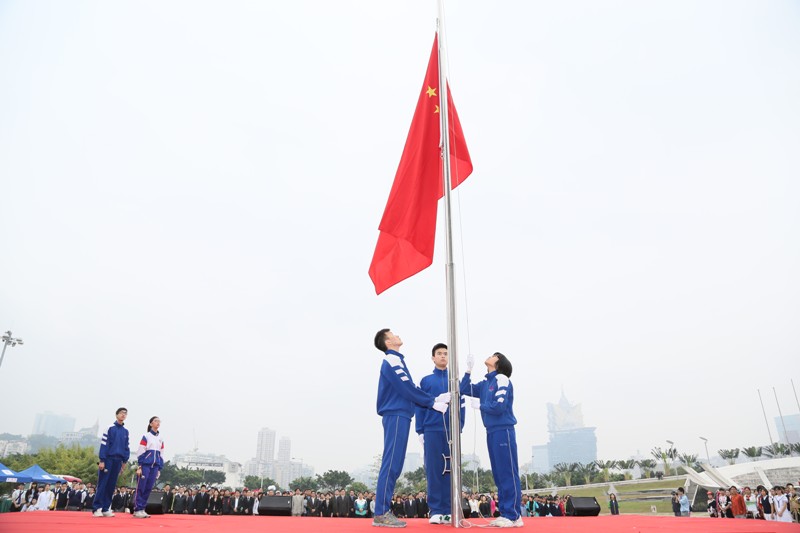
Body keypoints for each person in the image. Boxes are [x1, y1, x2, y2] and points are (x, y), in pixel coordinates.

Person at [372, 329, 450, 528]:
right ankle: (381, 512)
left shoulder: (398, 360)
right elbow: (406, 388)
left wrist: (432, 400)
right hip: (396, 413)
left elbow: (411, 387)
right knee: (392, 462)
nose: (397, 335)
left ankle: (382, 511)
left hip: (402, 414)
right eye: (393, 334)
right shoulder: (392, 360)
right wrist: (432, 402)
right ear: (388, 342)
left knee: (395, 463)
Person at [461, 352, 523, 528]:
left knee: (507, 473)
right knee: (499, 474)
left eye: (495, 355)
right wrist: (468, 370)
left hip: (503, 430)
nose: (490, 355)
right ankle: (507, 513)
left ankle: (513, 515)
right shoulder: (485, 383)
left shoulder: (501, 379)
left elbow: (500, 406)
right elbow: (464, 389)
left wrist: (481, 405)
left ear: (499, 362)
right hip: (491, 431)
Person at [415, 342, 466, 525]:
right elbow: (420, 405)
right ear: (433, 357)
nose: (443, 356)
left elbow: (462, 406)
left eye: (445, 353)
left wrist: (459, 427)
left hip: (451, 431)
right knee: (434, 469)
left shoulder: (455, 381)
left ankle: (449, 509)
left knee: (451, 470)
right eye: (439, 353)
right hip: (432, 429)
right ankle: (436, 510)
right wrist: (420, 430)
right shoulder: (426, 381)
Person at [93, 407, 130, 518]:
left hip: (118, 461)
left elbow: (126, 447)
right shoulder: (109, 428)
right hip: (108, 459)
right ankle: (97, 508)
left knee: (111, 485)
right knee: (103, 484)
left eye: (125, 413)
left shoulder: (125, 431)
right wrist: (102, 460)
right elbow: (104, 444)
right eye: (121, 413)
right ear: (116, 415)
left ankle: (105, 508)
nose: (123, 415)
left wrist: (124, 462)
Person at [133, 416, 164, 518]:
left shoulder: (160, 438)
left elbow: (161, 454)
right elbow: (140, 451)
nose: (158, 423)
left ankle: (142, 508)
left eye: (159, 421)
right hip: (145, 465)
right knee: (141, 487)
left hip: (155, 467)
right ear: (151, 424)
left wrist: (159, 467)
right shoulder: (146, 436)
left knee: (148, 488)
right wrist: (140, 466)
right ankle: (137, 509)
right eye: (155, 421)